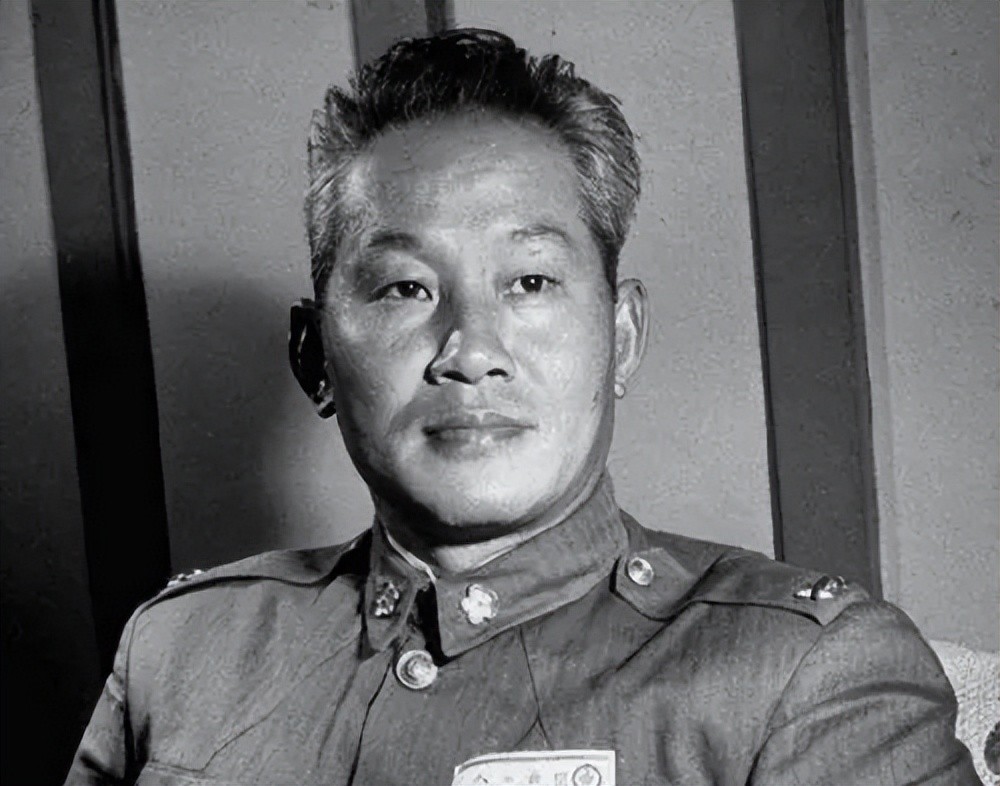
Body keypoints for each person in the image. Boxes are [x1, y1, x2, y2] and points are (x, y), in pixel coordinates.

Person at [65, 29, 978, 786]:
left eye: (530, 281)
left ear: (620, 338)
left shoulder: (805, 677)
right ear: (315, 357)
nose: (471, 352)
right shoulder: (182, 652)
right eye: (404, 288)